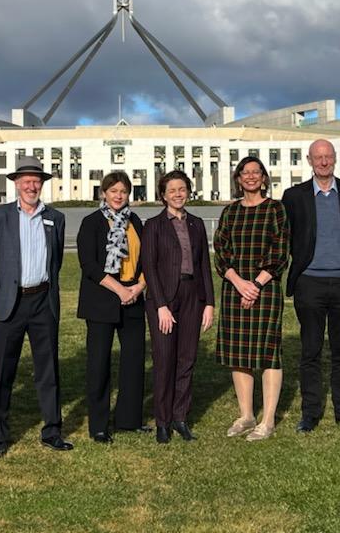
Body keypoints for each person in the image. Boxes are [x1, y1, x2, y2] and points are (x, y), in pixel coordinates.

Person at [282, 139, 340, 432]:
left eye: (328, 157)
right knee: (310, 352)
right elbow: (289, 235)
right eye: (318, 157)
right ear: (309, 160)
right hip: (309, 282)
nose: (323, 162)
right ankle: (311, 413)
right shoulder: (293, 196)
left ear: (334, 159)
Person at [0, 155, 69, 457]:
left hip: (42, 301)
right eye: (26, 180)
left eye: (37, 180)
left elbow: (55, 260)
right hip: (9, 302)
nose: (31, 185)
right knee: (2, 371)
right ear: (16, 184)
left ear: (42, 184)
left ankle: (52, 430)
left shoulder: (55, 218)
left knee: (47, 369)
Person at [213, 157, 289, 441]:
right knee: (239, 353)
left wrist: (255, 285)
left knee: (269, 352)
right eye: (245, 173)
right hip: (234, 287)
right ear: (238, 179)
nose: (251, 177)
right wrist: (238, 282)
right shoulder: (230, 212)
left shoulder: (275, 209)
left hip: (265, 288)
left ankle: (267, 420)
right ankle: (246, 415)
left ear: (264, 178)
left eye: (256, 172)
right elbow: (221, 250)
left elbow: (280, 252)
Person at [141, 169, 215, 444]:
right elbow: (149, 267)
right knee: (164, 360)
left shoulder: (196, 224)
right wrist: (161, 305)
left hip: (192, 297)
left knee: (186, 359)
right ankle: (162, 421)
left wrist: (209, 303)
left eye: (182, 189)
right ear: (163, 195)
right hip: (164, 299)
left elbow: (204, 266)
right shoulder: (154, 225)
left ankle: (180, 417)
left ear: (188, 191)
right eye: (172, 190)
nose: (177, 194)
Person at [76, 171, 149, 443]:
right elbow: (89, 265)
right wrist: (118, 289)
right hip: (103, 297)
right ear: (103, 193)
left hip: (133, 295)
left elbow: (148, 259)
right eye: (113, 190)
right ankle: (98, 425)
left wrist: (138, 287)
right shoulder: (92, 222)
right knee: (99, 363)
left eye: (124, 191)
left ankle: (130, 420)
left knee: (133, 361)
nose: (119, 196)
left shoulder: (135, 221)